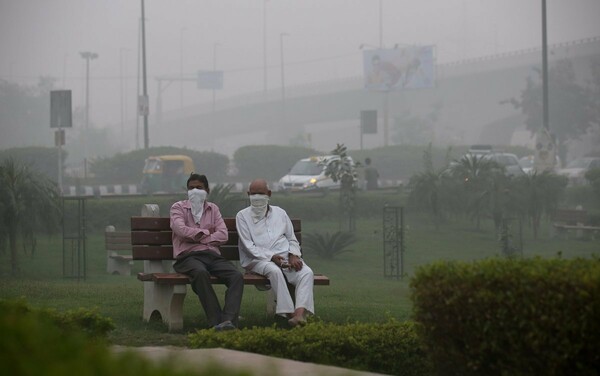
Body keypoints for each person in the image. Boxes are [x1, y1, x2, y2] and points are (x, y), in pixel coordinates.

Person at [236, 179, 314, 327]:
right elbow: (248, 246)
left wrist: (293, 255)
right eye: (254, 194)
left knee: (306, 272)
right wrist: (271, 257)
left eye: (261, 193)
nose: (257, 197)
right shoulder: (242, 216)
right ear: (248, 195)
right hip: (257, 260)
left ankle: (299, 315)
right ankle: (289, 314)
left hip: (285, 257)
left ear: (269, 194)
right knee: (274, 271)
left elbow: (292, 239)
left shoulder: (280, 213)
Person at [170, 173, 243, 331]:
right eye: (191, 188)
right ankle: (216, 322)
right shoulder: (178, 207)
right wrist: (206, 234)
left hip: (212, 256)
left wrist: (197, 237)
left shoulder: (213, 209)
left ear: (207, 190)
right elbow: (180, 229)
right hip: (188, 257)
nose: (195, 191)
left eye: (199, 188)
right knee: (200, 273)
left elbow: (223, 235)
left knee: (236, 276)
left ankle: (228, 320)